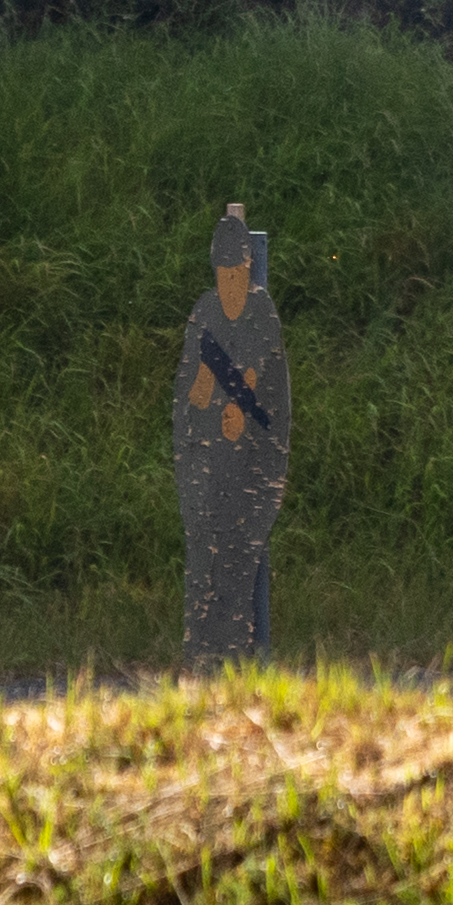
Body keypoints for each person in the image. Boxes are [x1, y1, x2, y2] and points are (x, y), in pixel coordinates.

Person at [173, 203, 292, 664]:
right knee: (205, 567)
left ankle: (235, 664)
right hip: (210, 471)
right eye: (223, 277)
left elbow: (257, 382)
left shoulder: (261, 312)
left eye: (237, 276)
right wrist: (207, 384)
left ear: (248, 269)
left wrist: (238, 404)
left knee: (238, 570)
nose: (230, 288)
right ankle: (202, 662)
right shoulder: (205, 314)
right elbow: (194, 397)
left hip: (253, 470)